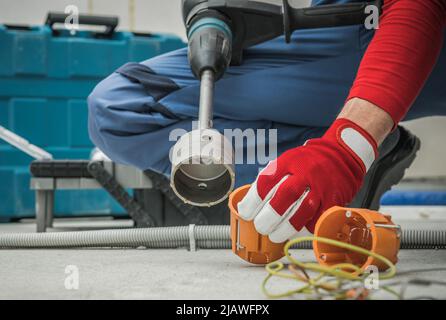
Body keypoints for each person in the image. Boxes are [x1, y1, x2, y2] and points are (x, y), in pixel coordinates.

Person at [88, 0, 446, 241]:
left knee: (122, 107)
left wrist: (346, 147)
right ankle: (357, 153)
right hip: (352, 28)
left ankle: (356, 150)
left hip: (395, 30)